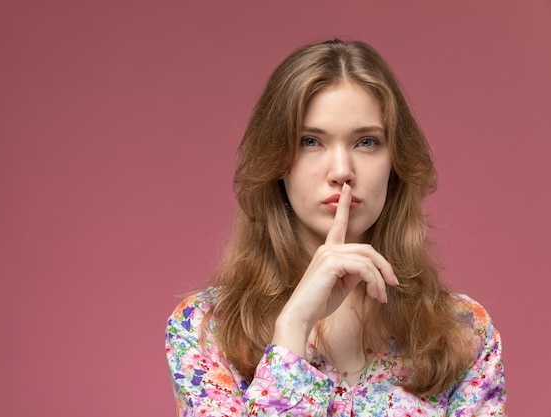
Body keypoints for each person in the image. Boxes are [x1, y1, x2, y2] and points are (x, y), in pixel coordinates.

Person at [165, 39, 507, 416]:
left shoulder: (462, 332)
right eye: (310, 141)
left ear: (395, 161)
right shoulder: (206, 327)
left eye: (366, 142)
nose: (342, 170)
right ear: (277, 161)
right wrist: (293, 328)